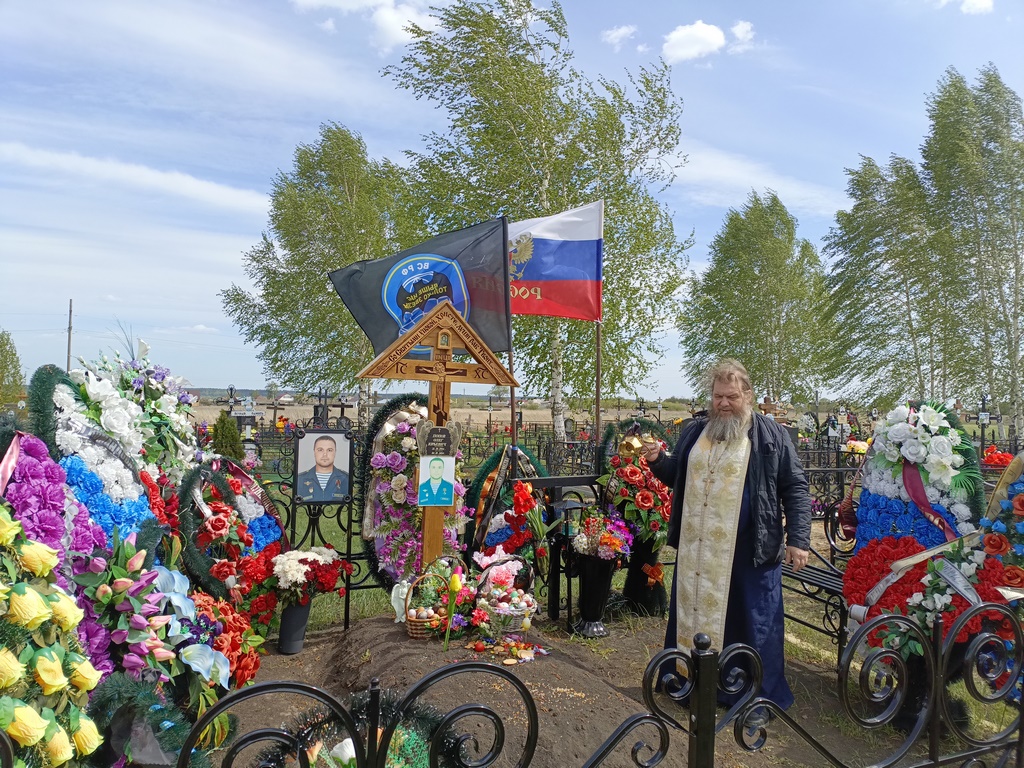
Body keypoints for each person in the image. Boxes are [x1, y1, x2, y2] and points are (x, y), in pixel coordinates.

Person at [642, 358, 811, 724]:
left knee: (754, 623)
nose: (723, 403)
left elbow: (795, 487)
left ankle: (756, 697)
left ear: (747, 395)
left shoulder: (770, 435)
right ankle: (689, 683)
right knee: (694, 618)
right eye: (718, 396)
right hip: (699, 552)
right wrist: (658, 460)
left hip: (751, 551)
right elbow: (678, 476)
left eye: (732, 396)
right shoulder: (695, 431)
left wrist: (798, 539)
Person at [296, 435, 349, 502]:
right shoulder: (300, 479)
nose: (325, 454)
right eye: (320, 450)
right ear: (314, 452)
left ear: (335, 452)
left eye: (329, 450)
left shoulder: (346, 478)